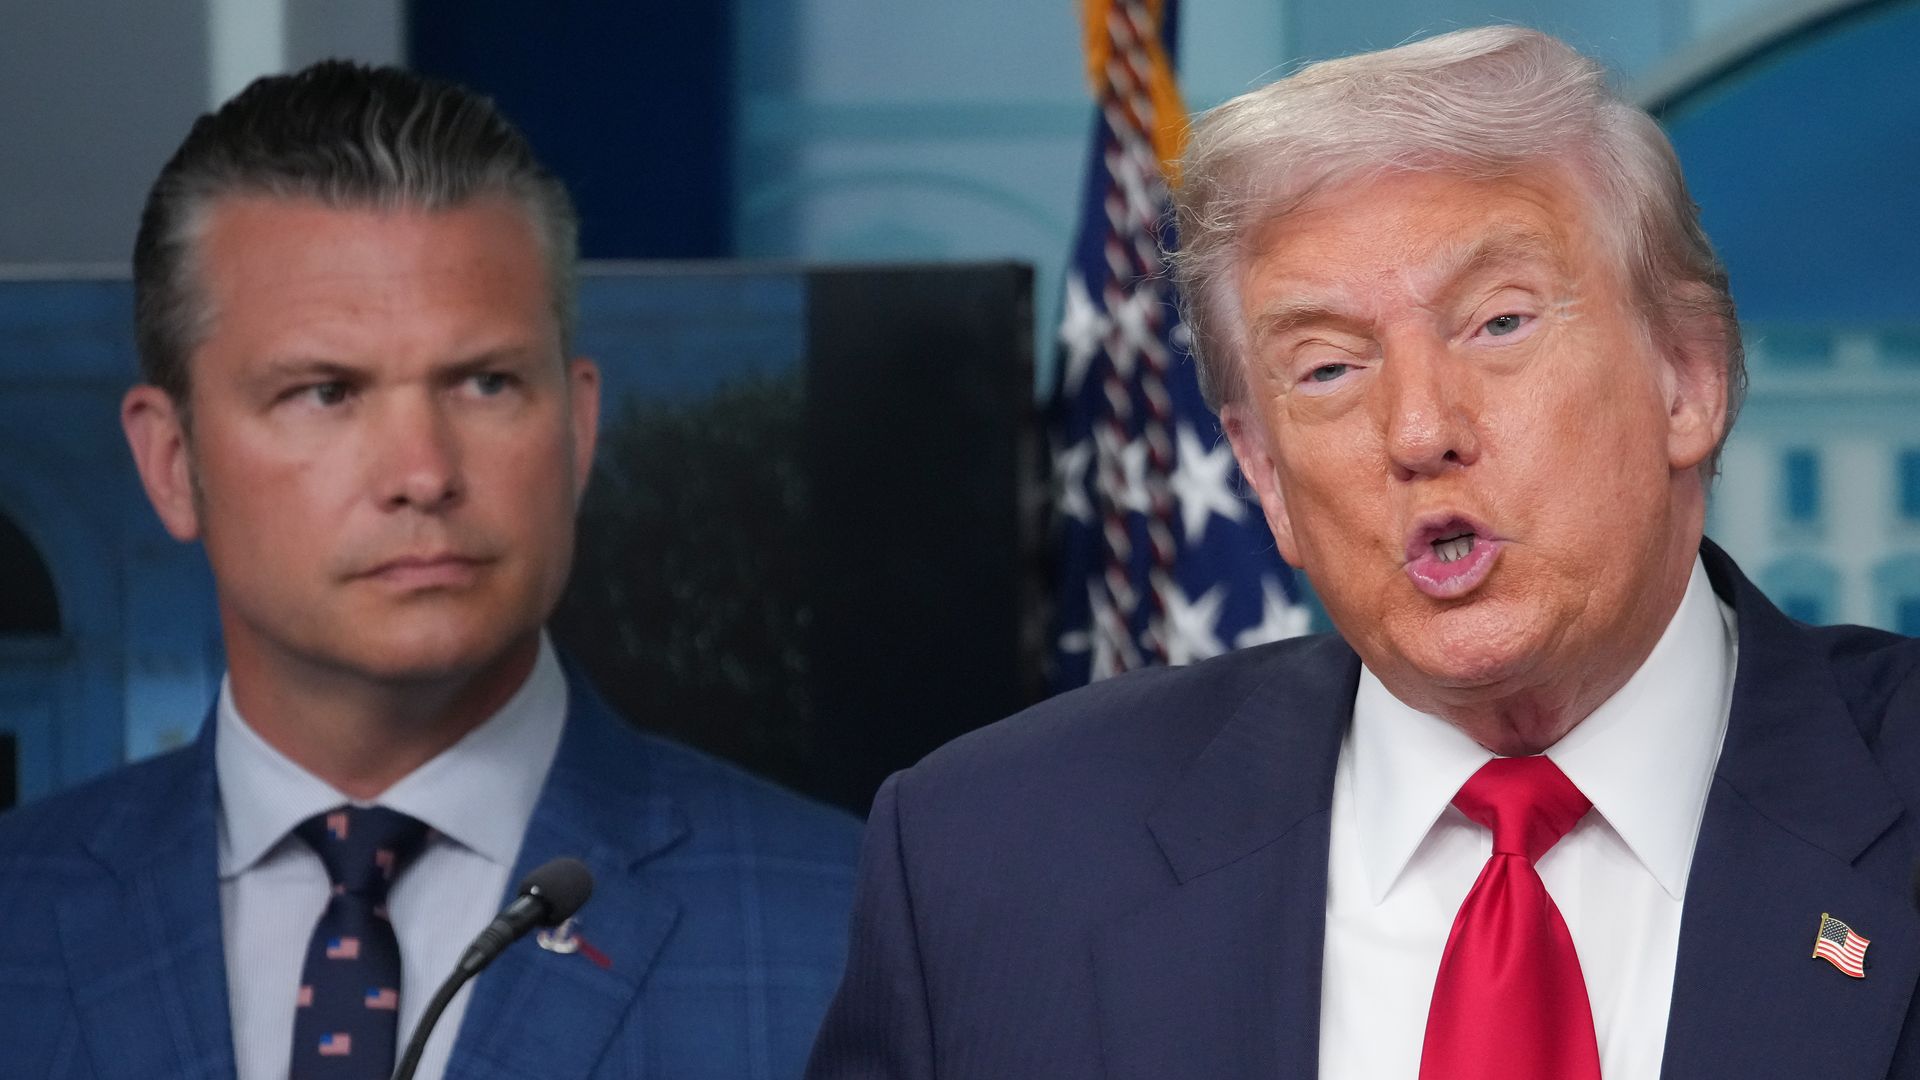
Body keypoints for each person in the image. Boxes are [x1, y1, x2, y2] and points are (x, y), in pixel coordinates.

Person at [808, 25, 1920, 1080]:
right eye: (1330, 368)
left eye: (1499, 324)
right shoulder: (990, 860)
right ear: (1262, 476)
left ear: (1690, 379)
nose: (1418, 429)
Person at [0, 61, 859, 1079]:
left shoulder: (852, 930)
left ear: (579, 428)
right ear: (173, 464)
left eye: (486, 383)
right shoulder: (20, 914)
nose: (423, 474)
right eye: (325, 393)